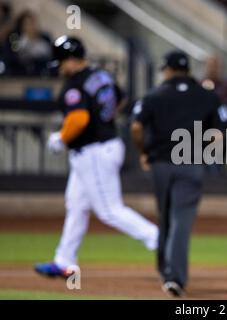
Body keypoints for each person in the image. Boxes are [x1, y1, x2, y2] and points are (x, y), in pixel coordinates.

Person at [34, 36, 159, 278]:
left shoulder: (75, 84)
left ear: (70, 59)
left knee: (110, 210)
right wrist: (104, 119)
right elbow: (120, 100)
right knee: (76, 205)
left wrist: (61, 138)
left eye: (61, 62)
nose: (59, 68)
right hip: (101, 146)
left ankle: (159, 240)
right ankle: (64, 260)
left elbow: (79, 119)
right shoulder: (101, 75)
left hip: (94, 151)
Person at [131, 50, 227, 297]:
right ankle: (174, 277)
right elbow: (220, 132)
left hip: (161, 165)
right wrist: (201, 151)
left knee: (165, 215)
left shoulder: (154, 95)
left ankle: (165, 270)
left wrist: (143, 151)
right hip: (191, 163)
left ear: (167, 69)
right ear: (187, 71)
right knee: (180, 220)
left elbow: (135, 126)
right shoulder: (208, 96)